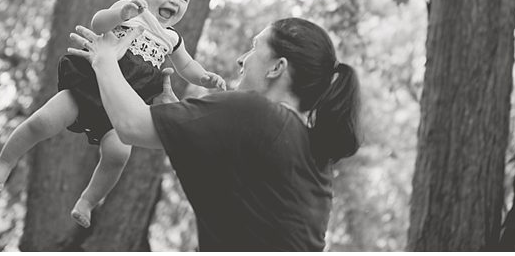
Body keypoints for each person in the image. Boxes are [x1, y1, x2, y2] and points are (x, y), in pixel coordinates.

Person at [66, 17, 361, 250]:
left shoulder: (254, 111)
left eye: (255, 47)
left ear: (277, 68)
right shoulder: (303, 144)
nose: (242, 59)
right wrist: (178, 120)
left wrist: (104, 59)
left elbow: (131, 126)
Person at [0, 0, 226, 228]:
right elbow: (98, 23)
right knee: (43, 121)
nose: (176, 1)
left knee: (118, 156)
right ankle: (5, 162)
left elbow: (187, 65)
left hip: (124, 105)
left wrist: (204, 77)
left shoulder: (172, 38)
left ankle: (87, 201)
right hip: (91, 85)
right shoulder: (130, 9)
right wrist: (122, 15)